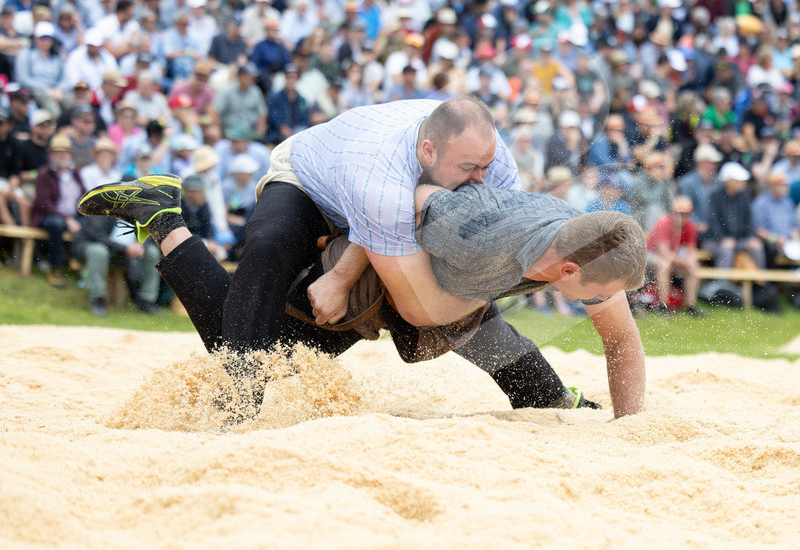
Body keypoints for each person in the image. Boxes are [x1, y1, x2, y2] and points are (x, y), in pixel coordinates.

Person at [80, 99, 606, 416]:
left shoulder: (488, 164)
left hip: (388, 223)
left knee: (293, 339)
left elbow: (460, 251)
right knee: (265, 257)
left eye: (486, 165)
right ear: (428, 153)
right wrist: (341, 283)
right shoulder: (378, 172)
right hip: (313, 181)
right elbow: (383, 240)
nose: (481, 178)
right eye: (469, 167)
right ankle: (238, 399)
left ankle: (165, 222)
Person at [72, 211, 162, 316]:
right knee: (98, 251)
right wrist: (125, 248)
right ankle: (98, 300)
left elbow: (151, 232)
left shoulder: (140, 210)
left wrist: (141, 246)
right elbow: (97, 236)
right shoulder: (103, 208)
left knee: (152, 252)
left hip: (125, 253)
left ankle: (147, 301)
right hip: (97, 248)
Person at [31, 133, 85, 287]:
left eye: (65, 152)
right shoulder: (44, 174)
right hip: (49, 216)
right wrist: (67, 219)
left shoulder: (75, 173)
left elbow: (84, 195)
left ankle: (78, 261)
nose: (62, 155)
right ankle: (55, 267)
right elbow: (44, 204)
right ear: (51, 155)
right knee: (56, 224)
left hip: (73, 216)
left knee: (91, 222)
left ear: (70, 154)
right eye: (58, 152)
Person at [646, 196, 703, 318]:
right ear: (672, 213)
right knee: (664, 265)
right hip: (651, 255)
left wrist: (689, 263)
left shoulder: (690, 227)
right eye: (678, 214)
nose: (681, 217)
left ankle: (691, 306)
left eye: (684, 214)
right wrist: (685, 263)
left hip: (672, 257)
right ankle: (663, 305)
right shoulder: (663, 223)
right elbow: (663, 252)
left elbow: (690, 251)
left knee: (693, 267)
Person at [706, 162, 765, 269]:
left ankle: (760, 284)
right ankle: (722, 284)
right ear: (729, 181)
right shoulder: (715, 196)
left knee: (756, 247)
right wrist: (722, 239)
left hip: (738, 239)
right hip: (714, 240)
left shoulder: (744, 195)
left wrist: (751, 237)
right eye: (739, 180)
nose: (742, 183)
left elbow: (750, 219)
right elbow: (713, 221)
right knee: (726, 251)